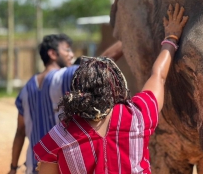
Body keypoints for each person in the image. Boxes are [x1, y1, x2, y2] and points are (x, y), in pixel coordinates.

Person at [33, 3, 188, 174]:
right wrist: (172, 38)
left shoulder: (61, 134)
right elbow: (158, 75)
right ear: (116, 87)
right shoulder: (137, 116)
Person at [8, 34, 124, 174]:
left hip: (33, 168)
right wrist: (128, 39)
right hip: (58, 168)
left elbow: (20, 132)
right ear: (52, 53)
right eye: (67, 50)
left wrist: (13, 168)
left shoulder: (26, 89)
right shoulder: (62, 77)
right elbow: (99, 67)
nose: (72, 54)